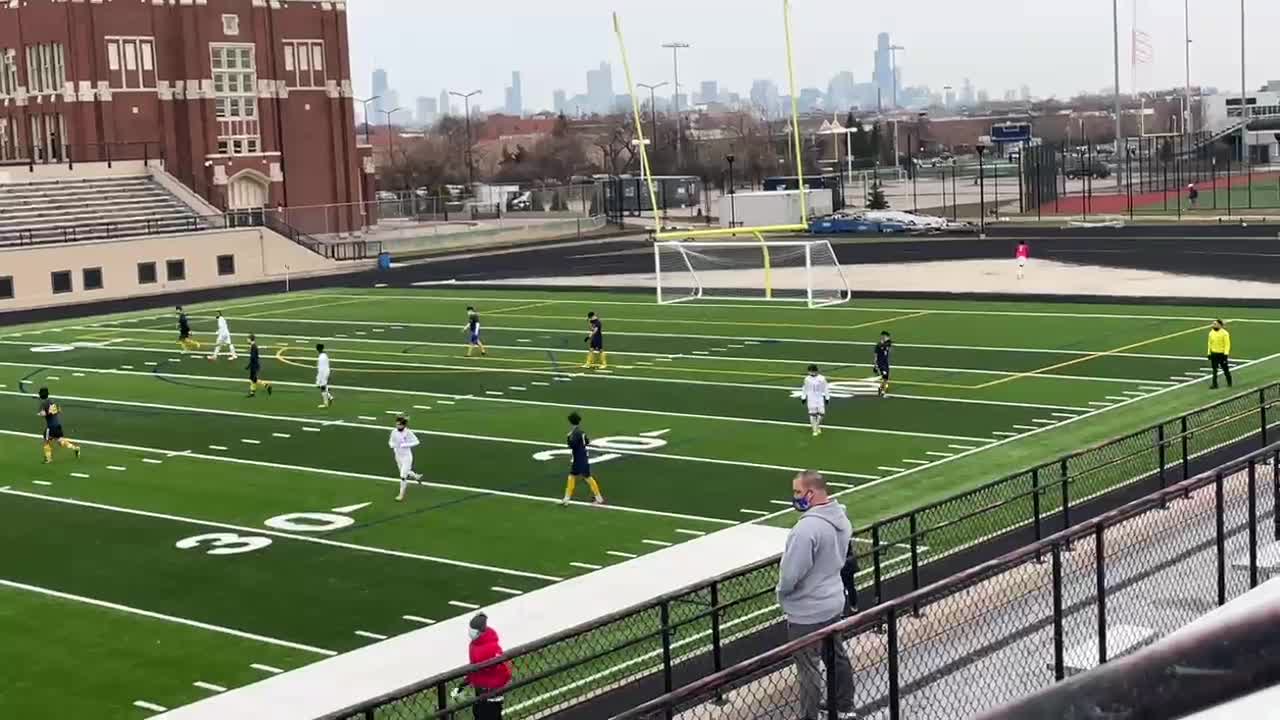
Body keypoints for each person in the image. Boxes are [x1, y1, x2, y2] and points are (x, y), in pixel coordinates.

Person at [777, 470, 857, 720]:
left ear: (810, 494)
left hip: (806, 611)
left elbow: (790, 575)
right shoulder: (840, 518)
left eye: (798, 492)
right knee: (836, 656)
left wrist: (782, 593)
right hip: (833, 600)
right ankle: (844, 704)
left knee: (808, 668)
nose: (795, 497)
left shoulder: (805, 530)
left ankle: (809, 716)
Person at [452, 613, 512, 720]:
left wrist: (494, 690)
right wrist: (462, 685)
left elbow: (504, 671)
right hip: (480, 693)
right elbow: (474, 669)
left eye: (472, 630)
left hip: (491, 696)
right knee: (478, 712)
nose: (469, 633)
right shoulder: (473, 645)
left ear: (480, 632)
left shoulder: (492, 647)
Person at [562, 411, 604, 505]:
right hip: (582, 457)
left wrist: (568, 438)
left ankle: (599, 498)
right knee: (573, 476)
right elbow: (587, 442)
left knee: (586, 477)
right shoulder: (581, 432)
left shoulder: (574, 433)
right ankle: (566, 498)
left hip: (579, 458)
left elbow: (572, 445)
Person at [37, 387, 80, 464]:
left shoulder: (44, 403)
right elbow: (59, 410)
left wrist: (40, 413)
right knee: (60, 441)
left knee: (46, 441)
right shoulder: (53, 401)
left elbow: (43, 414)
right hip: (57, 425)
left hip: (50, 426)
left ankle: (48, 459)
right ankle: (75, 448)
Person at [389, 416, 423, 501]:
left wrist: (405, 445)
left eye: (399, 425)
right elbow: (391, 441)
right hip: (398, 456)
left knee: (403, 476)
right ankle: (416, 476)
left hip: (406, 457)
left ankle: (401, 495)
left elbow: (417, 441)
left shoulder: (408, 432)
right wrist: (392, 445)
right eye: (396, 424)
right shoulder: (394, 432)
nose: (397, 426)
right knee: (405, 472)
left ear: (403, 425)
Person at [800, 364, 830, 437]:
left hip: (819, 398)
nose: (810, 372)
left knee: (822, 413)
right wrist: (803, 397)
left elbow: (826, 387)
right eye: (809, 371)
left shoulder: (822, 378)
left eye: (811, 371)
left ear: (815, 371)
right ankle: (815, 430)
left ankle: (817, 425)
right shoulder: (807, 379)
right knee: (812, 415)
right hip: (811, 398)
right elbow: (805, 388)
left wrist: (827, 397)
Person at [1208, 319, 1232, 389]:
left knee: (1225, 369)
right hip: (1214, 354)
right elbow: (1209, 343)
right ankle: (1214, 384)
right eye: (1213, 324)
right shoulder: (1211, 333)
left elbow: (1227, 344)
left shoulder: (1225, 333)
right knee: (1214, 370)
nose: (1213, 325)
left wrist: (1226, 354)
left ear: (1220, 325)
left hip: (1221, 354)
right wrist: (1209, 353)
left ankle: (1229, 382)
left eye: (1215, 324)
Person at [873, 331, 893, 398]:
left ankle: (880, 388)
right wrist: (875, 365)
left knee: (886, 378)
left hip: (886, 363)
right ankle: (883, 392)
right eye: (887, 337)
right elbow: (875, 356)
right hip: (881, 364)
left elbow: (889, 343)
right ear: (883, 337)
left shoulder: (887, 344)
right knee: (885, 377)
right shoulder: (878, 345)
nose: (888, 338)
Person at [315, 344, 334, 408]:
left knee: (322, 387)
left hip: (323, 373)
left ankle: (326, 404)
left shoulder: (321, 357)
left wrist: (319, 378)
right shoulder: (324, 355)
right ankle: (330, 397)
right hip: (326, 371)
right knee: (321, 386)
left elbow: (321, 369)